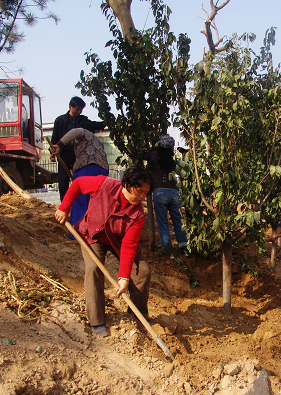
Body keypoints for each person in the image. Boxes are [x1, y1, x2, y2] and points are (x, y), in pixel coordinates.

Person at [54, 166, 154, 337]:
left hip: (119, 241)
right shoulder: (103, 184)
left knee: (143, 271)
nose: (142, 197)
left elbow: (129, 245)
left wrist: (123, 278)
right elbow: (77, 184)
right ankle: (97, 320)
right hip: (93, 235)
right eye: (139, 191)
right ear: (127, 185)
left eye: (146, 193)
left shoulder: (137, 214)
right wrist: (64, 208)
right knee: (94, 269)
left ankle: (138, 314)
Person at [50, 127, 109, 233]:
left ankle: (76, 232)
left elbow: (75, 131)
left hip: (87, 168)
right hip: (103, 170)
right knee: (96, 203)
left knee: (80, 200)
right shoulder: (97, 141)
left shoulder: (83, 132)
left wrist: (59, 145)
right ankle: (95, 232)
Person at [51, 96, 105, 202]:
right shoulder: (60, 120)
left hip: (79, 156)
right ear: (71, 107)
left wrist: (107, 122)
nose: (79, 111)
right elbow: (54, 140)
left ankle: (80, 205)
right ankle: (65, 205)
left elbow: (94, 125)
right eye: (77, 109)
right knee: (63, 182)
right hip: (64, 155)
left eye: (81, 109)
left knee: (80, 181)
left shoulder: (83, 121)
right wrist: (52, 153)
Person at [143, 135, 188, 255]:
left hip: (159, 192)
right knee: (178, 220)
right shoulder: (173, 159)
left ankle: (167, 249)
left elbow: (143, 155)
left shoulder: (153, 156)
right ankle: (183, 245)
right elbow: (184, 167)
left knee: (163, 222)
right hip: (173, 192)